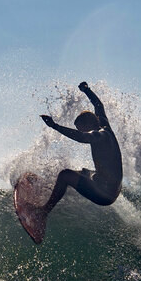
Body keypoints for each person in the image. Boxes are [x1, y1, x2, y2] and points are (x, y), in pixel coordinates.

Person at [39, 82, 123, 214]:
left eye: (82, 129)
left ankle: (43, 213)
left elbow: (81, 137)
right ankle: (50, 190)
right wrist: (86, 90)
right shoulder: (104, 125)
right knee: (83, 172)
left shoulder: (99, 135)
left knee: (65, 175)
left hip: (104, 194)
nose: (83, 132)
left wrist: (55, 126)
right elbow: (99, 105)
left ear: (88, 125)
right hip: (109, 186)